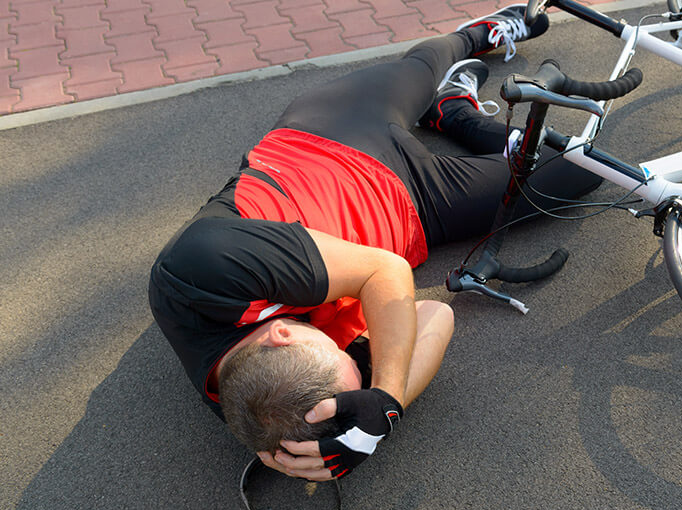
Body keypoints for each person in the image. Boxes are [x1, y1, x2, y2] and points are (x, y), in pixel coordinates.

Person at [148, 5, 602, 482]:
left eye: (339, 352)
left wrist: (383, 393)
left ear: (280, 335)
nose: (352, 351)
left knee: (425, 65)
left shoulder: (196, 269)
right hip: (419, 208)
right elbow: (435, 315)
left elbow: (382, 272)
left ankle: (479, 33)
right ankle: (456, 116)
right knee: (581, 169)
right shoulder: (279, 404)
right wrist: (382, 418)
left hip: (332, 135)